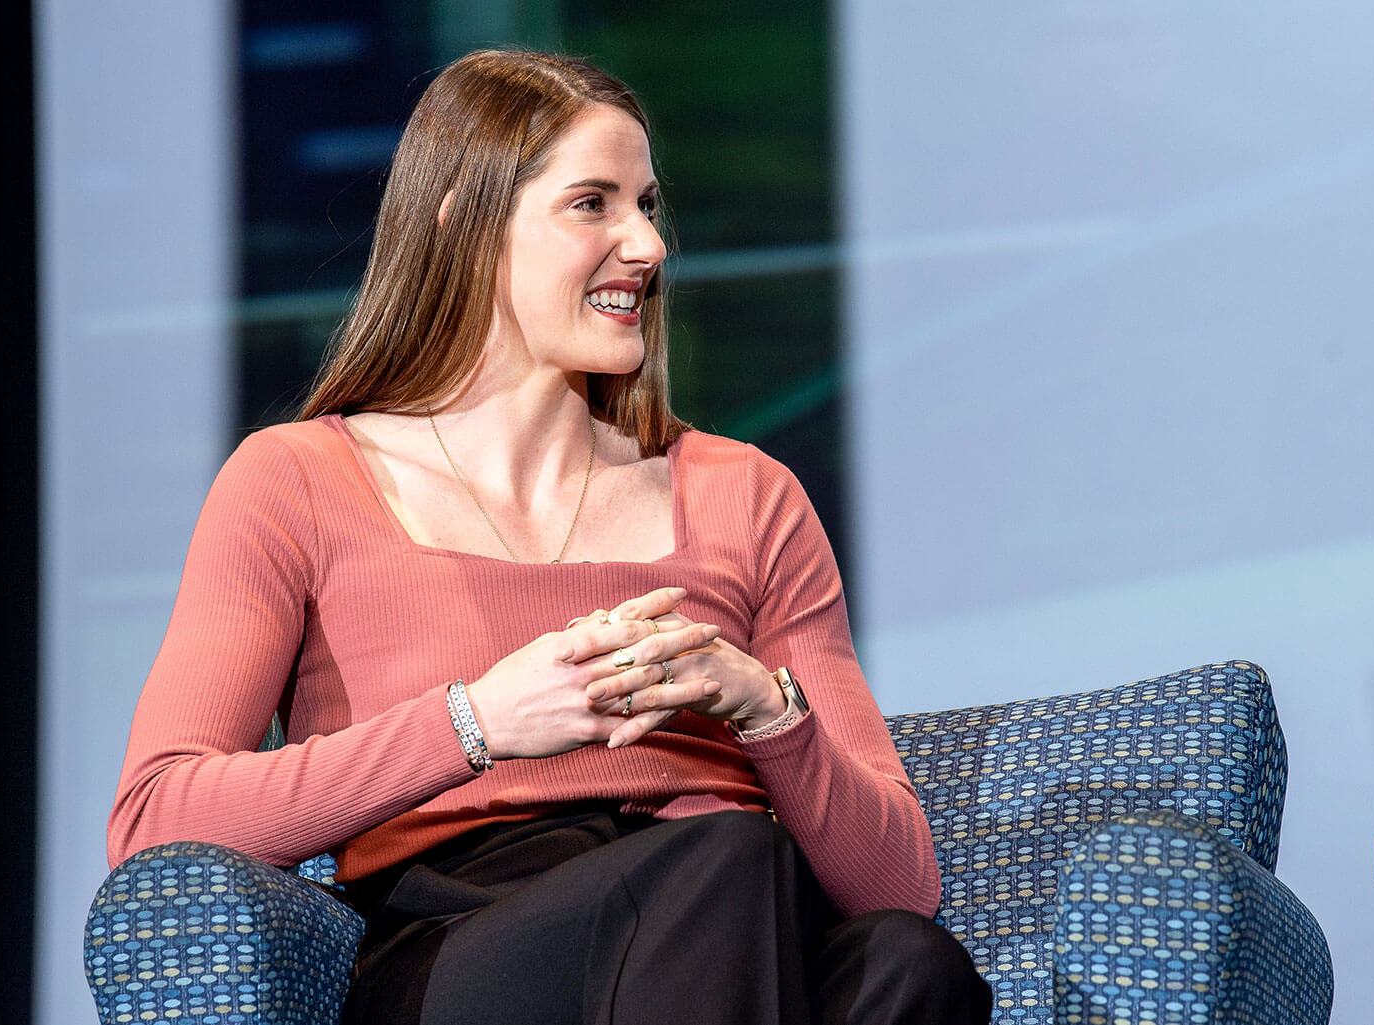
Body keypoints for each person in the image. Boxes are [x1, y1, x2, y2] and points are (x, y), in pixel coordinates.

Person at [108, 49, 992, 1025]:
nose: (647, 245)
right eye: (593, 204)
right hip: (462, 938)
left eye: (648, 205)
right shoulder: (297, 479)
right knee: (731, 859)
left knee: (909, 959)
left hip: (740, 911)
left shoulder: (747, 491)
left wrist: (764, 705)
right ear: (466, 222)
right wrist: (476, 723)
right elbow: (160, 815)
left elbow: (900, 881)